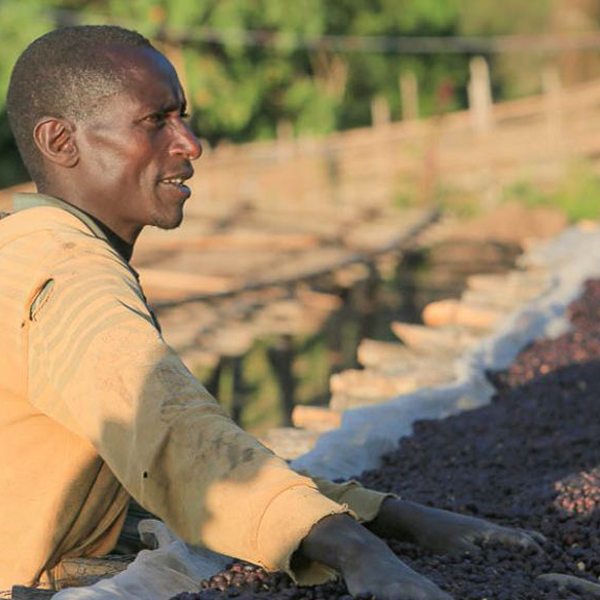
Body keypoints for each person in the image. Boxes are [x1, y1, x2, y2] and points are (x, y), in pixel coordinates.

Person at [0, 25, 540, 599]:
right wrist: (356, 551)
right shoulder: (69, 275)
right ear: (61, 141)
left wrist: (391, 517)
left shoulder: (31, 250)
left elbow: (177, 457)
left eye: (182, 117)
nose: (190, 143)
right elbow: (175, 437)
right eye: (155, 121)